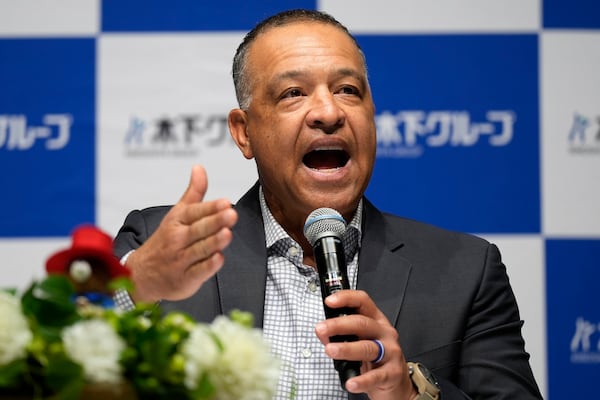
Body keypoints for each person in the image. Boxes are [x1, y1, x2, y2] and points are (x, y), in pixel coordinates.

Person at [113, 9, 542, 400]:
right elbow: (61, 368)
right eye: (294, 93)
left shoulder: (466, 271)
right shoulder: (162, 246)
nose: (328, 111)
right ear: (244, 132)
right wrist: (136, 287)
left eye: (348, 90)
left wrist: (410, 393)